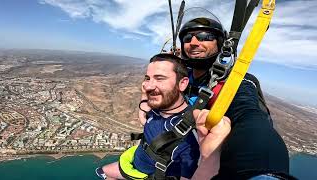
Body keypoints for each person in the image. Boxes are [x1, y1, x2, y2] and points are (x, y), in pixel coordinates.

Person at [177, 16, 291, 179]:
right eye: (188, 38)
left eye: (204, 36)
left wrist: (261, 175)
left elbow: (249, 117)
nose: (194, 42)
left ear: (220, 43)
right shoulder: (182, 75)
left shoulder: (235, 81)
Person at [96, 53, 231, 179]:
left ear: (183, 83)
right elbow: (144, 119)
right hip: (138, 159)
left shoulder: (188, 137)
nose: (149, 86)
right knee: (102, 170)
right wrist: (144, 95)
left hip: (148, 174)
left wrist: (210, 158)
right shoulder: (159, 108)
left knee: (104, 172)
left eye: (160, 78)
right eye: (148, 79)